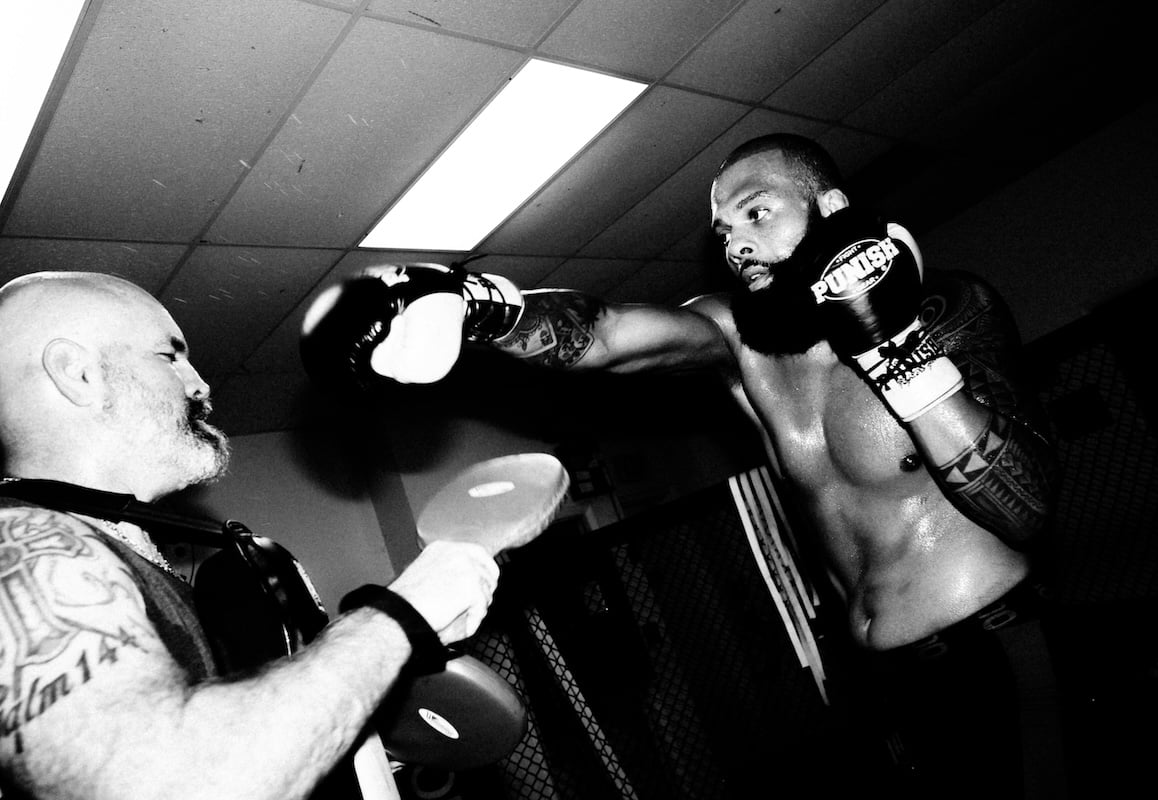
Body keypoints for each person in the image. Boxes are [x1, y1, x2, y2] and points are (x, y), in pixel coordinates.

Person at [301, 133, 1066, 797]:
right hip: (878, 672)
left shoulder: (949, 310)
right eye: (723, 230)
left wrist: (894, 348)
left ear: (831, 208)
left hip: (992, 649)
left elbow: (1025, 507)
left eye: (756, 212)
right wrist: (483, 310)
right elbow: (602, 336)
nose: (734, 243)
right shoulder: (744, 339)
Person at [0, 271, 501, 800]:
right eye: (170, 357)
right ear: (77, 374)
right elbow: (161, 784)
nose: (201, 385)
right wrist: (401, 616)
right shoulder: (20, 541)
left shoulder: (123, 551)